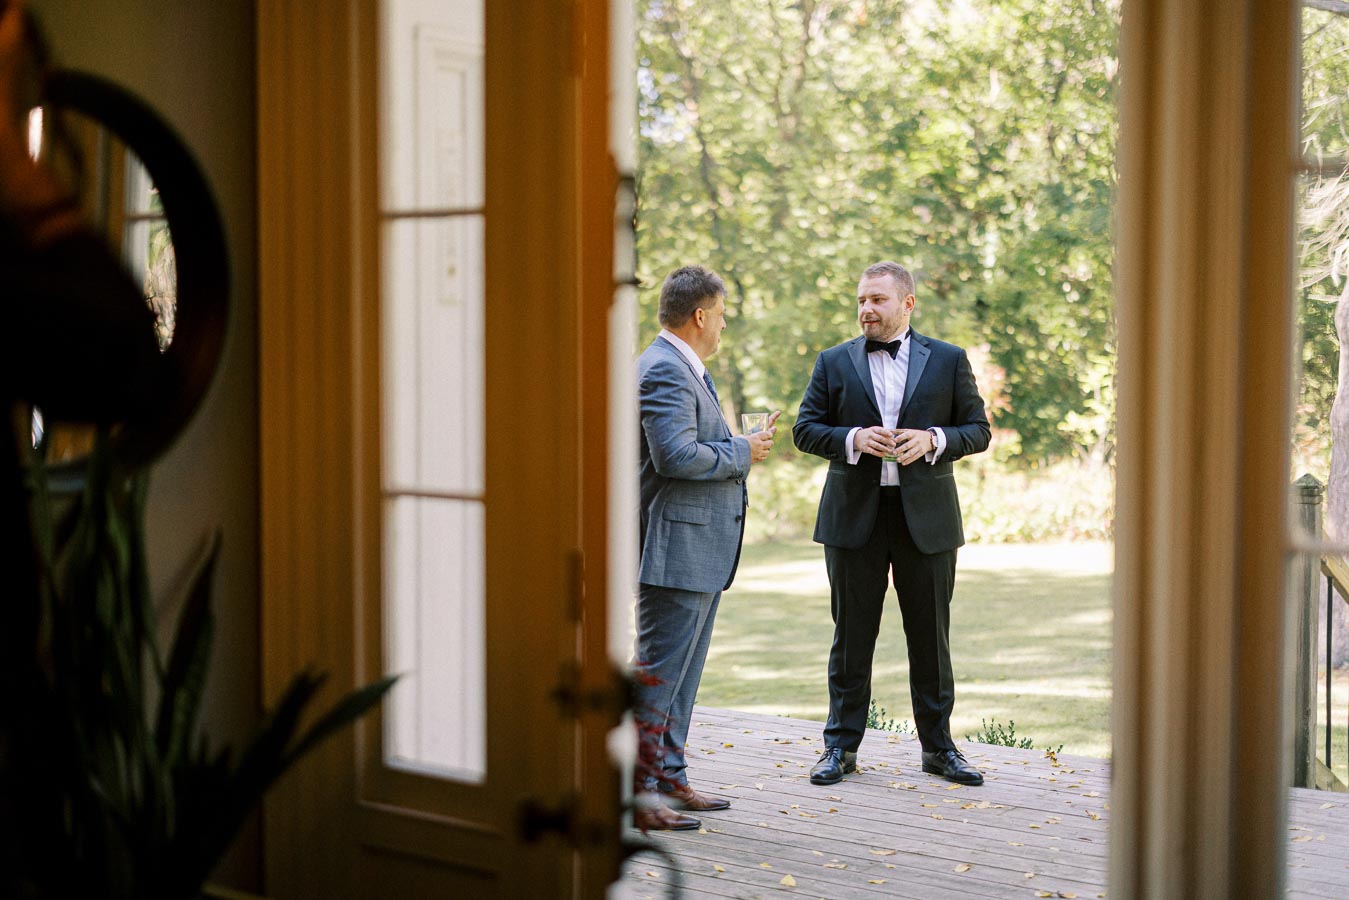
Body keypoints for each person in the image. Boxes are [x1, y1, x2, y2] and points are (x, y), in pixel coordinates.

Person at [793, 261, 990, 787]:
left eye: (877, 300)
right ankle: (839, 748)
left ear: (906, 303)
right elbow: (805, 429)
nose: (866, 310)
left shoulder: (949, 360)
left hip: (925, 522)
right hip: (853, 520)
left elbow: (978, 430)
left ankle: (940, 750)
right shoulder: (832, 362)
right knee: (851, 638)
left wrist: (934, 440)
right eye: (861, 300)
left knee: (930, 638)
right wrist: (853, 438)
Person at [633, 265, 780, 831]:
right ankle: (641, 797)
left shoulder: (680, 366)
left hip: (699, 551)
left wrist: (737, 447)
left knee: (683, 675)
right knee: (659, 673)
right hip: (674, 550)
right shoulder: (664, 370)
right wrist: (742, 452)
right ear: (700, 316)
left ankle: (670, 775)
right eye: (720, 315)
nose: (722, 326)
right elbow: (675, 456)